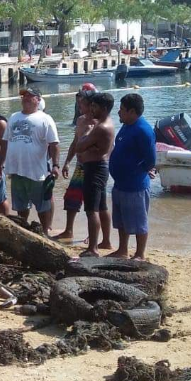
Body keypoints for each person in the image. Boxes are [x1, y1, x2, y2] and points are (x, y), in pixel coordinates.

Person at [0, 86, 60, 231]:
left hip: (37, 172)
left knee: (42, 207)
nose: (25, 98)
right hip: (16, 170)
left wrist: (56, 165)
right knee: (21, 206)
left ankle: (45, 232)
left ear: (38, 100)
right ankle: (24, 231)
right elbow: (5, 142)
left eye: (29, 96)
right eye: (23, 96)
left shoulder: (45, 119)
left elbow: (54, 144)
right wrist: (0, 164)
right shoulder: (13, 117)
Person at [56, 84, 111, 248]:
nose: (79, 107)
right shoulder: (80, 120)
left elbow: (105, 148)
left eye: (82, 104)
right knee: (72, 198)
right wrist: (66, 162)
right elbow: (75, 143)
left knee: (97, 205)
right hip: (80, 165)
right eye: (78, 104)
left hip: (94, 167)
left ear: (92, 105)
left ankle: (101, 238)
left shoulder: (98, 124)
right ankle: (69, 230)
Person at [108, 93, 156, 261]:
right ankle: (122, 250)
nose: (119, 113)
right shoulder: (127, 125)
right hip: (120, 184)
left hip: (135, 185)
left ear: (132, 111)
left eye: (122, 110)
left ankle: (140, 254)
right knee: (121, 221)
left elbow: (150, 160)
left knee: (138, 222)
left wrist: (137, 171)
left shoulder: (143, 130)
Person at [75, 92, 115, 257]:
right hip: (100, 167)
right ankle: (105, 241)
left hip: (95, 168)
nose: (91, 109)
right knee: (101, 206)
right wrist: (88, 144)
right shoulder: (107, 123)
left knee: (91, 210)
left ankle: (93, 248)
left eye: (94, 106)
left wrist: (85, 135)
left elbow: (79, 146)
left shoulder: (100, 127)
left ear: (103, 108)